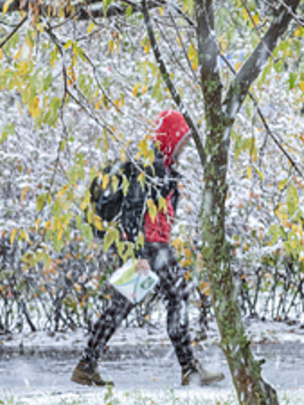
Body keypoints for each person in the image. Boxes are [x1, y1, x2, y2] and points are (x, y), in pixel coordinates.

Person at [71, 110, 225, 387]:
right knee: (175, 297)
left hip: (151, 246)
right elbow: (133, 209)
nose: (184, 147)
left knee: (123, 304)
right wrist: (138, 254)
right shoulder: (152, 168)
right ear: (169, 138)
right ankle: (189, 368)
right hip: (150, 247)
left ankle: (87, 363)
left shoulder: (162, 168)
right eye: (182, 141)